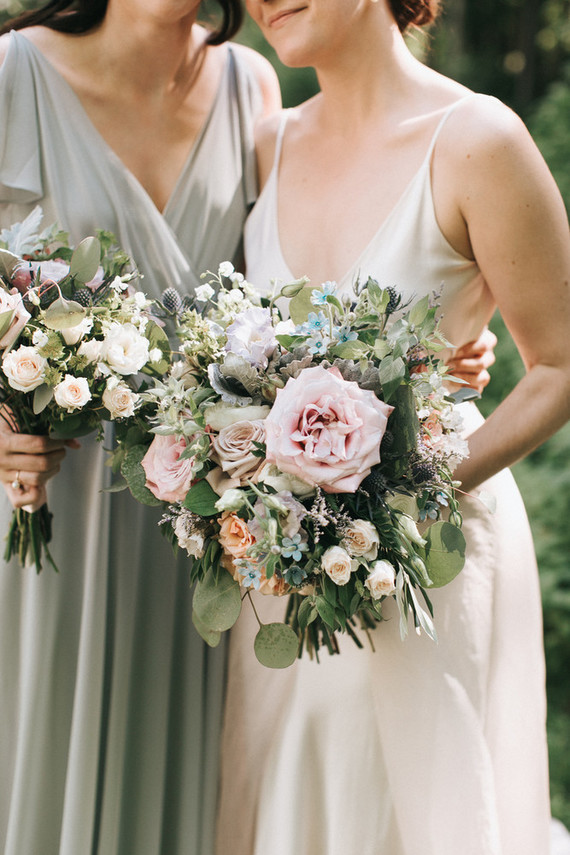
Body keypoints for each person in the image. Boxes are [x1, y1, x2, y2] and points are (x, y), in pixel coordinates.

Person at [216, 2, 570, 855]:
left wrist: (405, 484)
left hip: (426, 560)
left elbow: (559, 363)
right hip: (280, 572)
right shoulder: (269, 144)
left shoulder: (476, 140)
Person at [0, 3, 281, 854]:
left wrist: (455, 325)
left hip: (193, 545)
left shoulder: (253, 90)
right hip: (38, 519)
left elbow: (304, 282)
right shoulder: (12, 75)